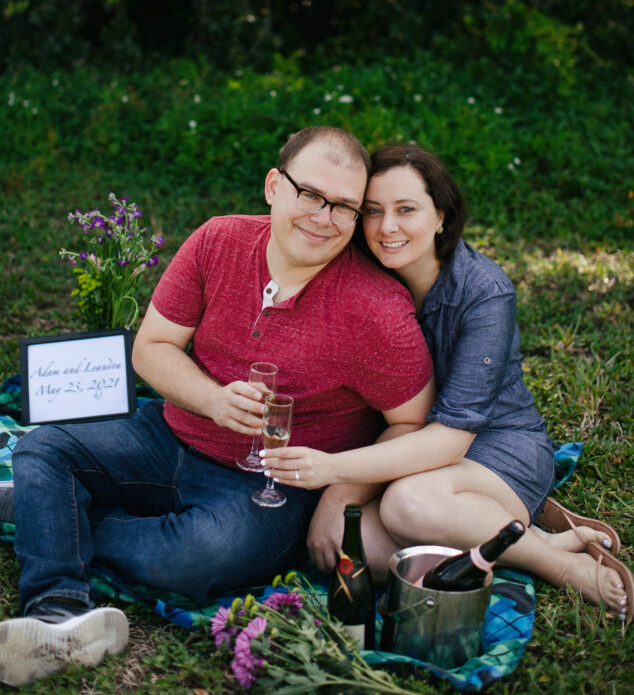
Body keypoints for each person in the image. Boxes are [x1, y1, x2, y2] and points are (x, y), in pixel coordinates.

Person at [0, 127, 435, 686]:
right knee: (44, 445)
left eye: (344, 207)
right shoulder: (219, 240)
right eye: (310, 194)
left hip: (270, 485)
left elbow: (412, 424)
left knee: (192, 559)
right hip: (168, 435)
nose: (323, 217)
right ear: (274, 185)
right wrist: (212, 400)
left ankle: (47, 516)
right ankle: (57, 612)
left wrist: (341, 493)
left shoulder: (376, 311)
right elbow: (152, 347)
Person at [263, 143, 632, 622]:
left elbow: (455, 434)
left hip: (493, 443)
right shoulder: (359, 272)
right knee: (356, 549)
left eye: (406, 210)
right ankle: (525, 535)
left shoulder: (484, 291)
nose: (387, 228)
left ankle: (556, 563)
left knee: (407, 505)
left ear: (441, 214)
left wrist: (335, 475)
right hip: (405, 443)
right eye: (372, 211)